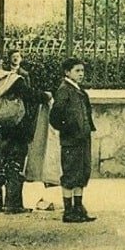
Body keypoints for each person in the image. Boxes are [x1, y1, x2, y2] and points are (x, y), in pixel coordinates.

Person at [0, 49, 47, 214]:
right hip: (16, 128)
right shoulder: (12, 79)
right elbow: (30, 95)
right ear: (0, 62)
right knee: (15, 164)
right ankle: (13, 204)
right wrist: (46, 96)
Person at [48, 57, 97, 223]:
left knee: (82, 172)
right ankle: (68, 211)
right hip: (72, 139)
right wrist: (68, 129)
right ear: (67, 72)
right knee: (70, 173)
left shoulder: (78, 90)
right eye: (77, 71)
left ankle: (78, 207)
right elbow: (55, 116)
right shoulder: (64, 90)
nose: (81, 74)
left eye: (82, 71)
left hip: (82, 138)